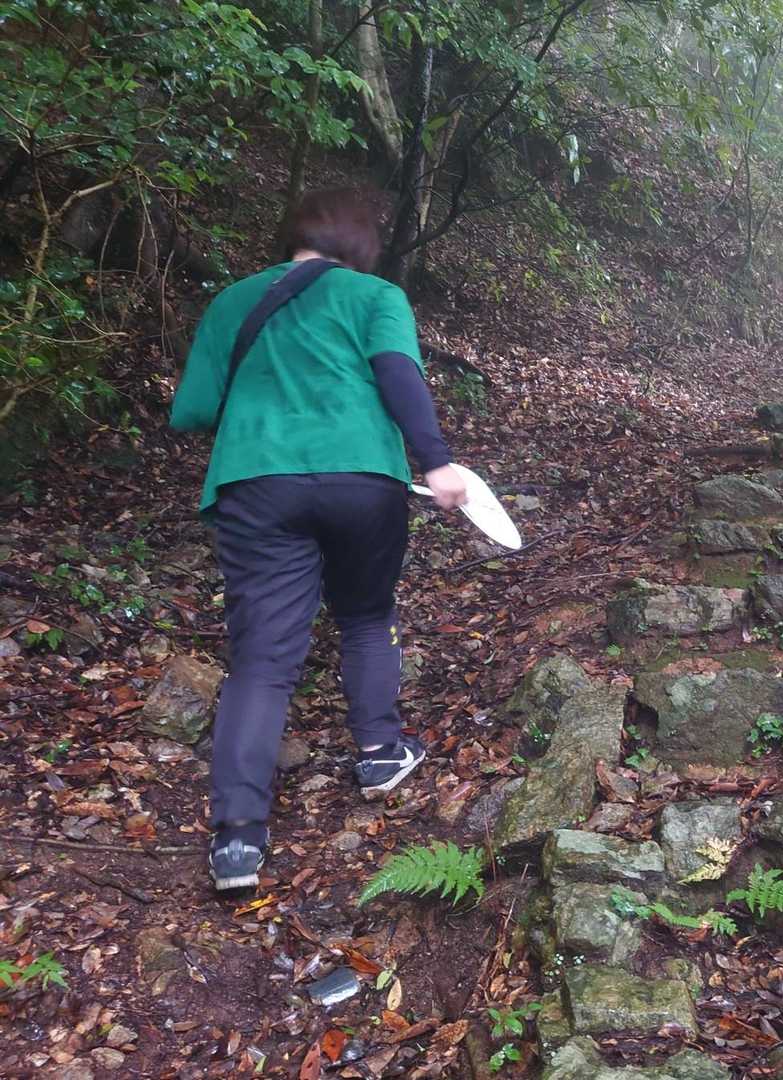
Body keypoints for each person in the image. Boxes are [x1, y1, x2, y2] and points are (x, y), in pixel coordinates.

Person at [170, 188, 468, 891]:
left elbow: (194, 409)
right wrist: (436, 460)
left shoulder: (232, 302)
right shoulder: (375, 296)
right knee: (365, 613)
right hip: (362, 477)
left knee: (262, 661)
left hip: (257, 482)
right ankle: (380, 752)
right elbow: (397, 373)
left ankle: (237, 840)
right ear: (360, 245)